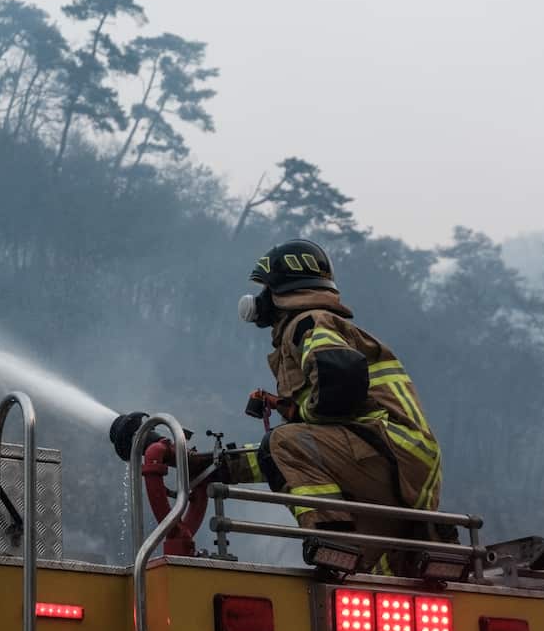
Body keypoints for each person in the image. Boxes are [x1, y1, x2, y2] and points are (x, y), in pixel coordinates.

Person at [110, 239, 445, 574]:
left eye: (264, 290)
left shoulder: (310, 322)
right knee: (372, 575)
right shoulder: (323, 333)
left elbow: (339, 380)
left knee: (284, 443)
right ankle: (358, 547)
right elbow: (291, 456)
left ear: (279, 293)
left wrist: (298, 412)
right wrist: (210, 466)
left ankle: (332, 537)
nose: (258, 301)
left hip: (390, 450)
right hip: (394, 465)